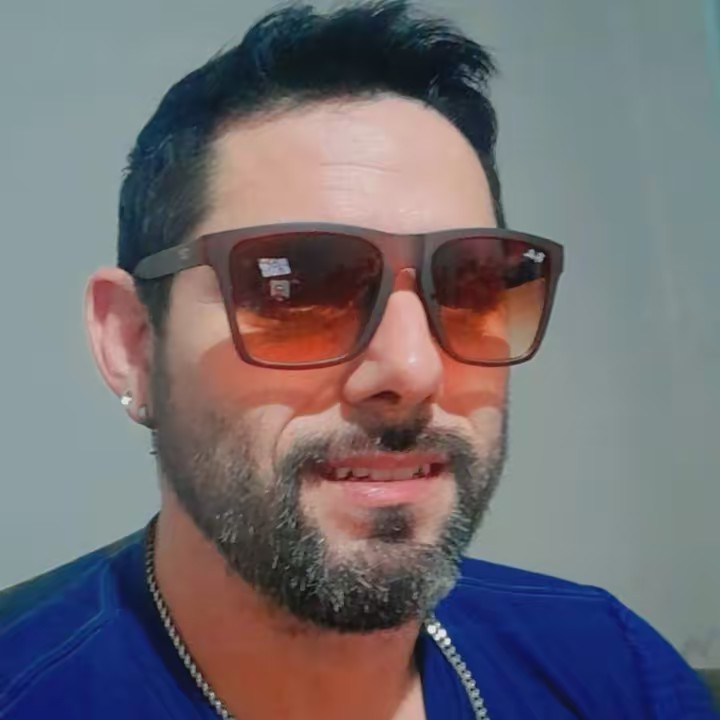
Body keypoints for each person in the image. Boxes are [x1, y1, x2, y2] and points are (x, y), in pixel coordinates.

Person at [0, 2, 716, 718]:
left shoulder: (612, 666)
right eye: (298, 287)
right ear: (133, 343)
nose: (411, 370)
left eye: (470, 284)